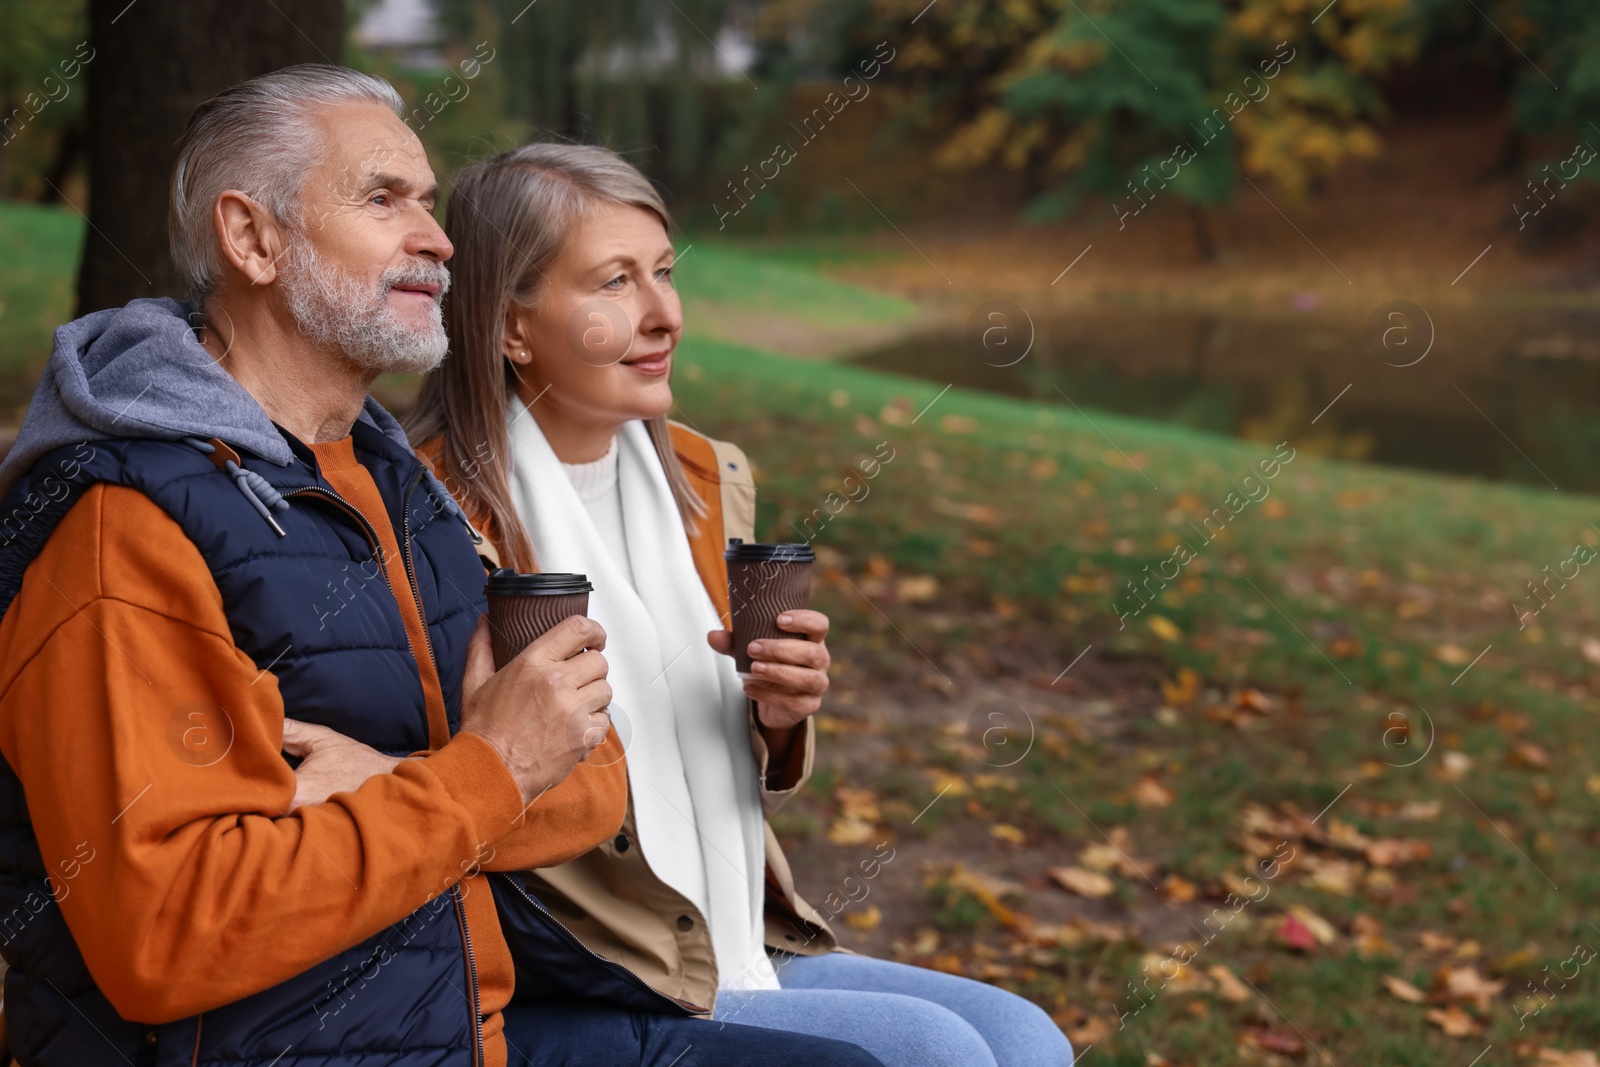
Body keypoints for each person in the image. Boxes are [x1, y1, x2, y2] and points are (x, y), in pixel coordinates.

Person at [0, 66, 884, 1067]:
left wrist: (439, 778)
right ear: (252, 238)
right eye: (383, 199)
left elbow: (589, 778)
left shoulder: (392, 490)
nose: (438, 238)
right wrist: (484, 773)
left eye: (427, 200)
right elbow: (166, 932)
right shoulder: (128, 521)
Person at [399, 142, 1076, 1067]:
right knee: (937, 1054)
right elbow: (444, 778)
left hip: (731, 934)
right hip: (586, 965)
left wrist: (781, 711)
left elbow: (731, 750)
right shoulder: (434, 516)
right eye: (615, 283)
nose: (664, 314)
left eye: (666, 274)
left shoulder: (707, 476)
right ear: (511, 328)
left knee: (1024, 1038)